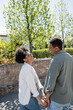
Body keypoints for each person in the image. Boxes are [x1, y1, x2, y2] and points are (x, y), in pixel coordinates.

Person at [44, 38, 73, 110]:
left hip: (57, 100)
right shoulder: (70, 57)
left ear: (56, 48)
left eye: (50, 47)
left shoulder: (55, 60)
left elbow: (52, 81)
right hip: (68, 98)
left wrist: (47, 97)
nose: (49, 49)